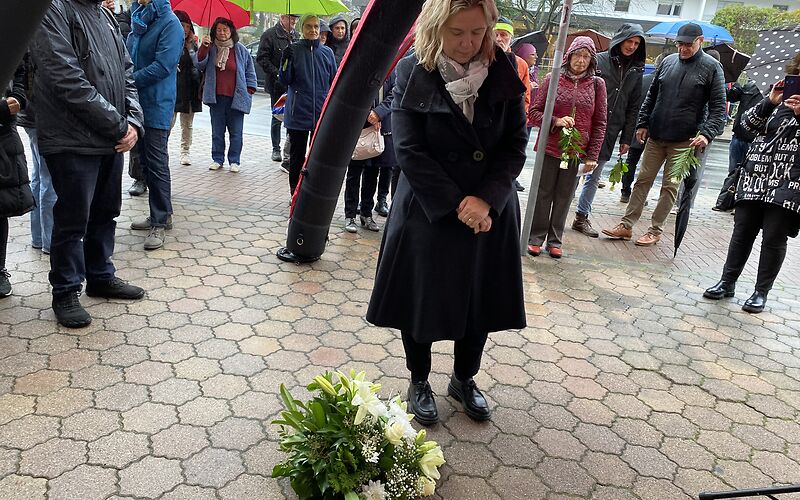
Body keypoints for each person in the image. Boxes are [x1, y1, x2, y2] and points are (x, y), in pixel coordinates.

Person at [366, 0, 528, 425]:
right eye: (457, 32)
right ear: (437, 27)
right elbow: (409, 149)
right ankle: (419, 379)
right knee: (420, 299)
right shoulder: (413, 70)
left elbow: (514, 145)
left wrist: (486, 199)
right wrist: (459, 203)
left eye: (477, 32)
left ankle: (463, 378)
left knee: (479, 302)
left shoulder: (503, 67)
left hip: (489, 212)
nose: (468, 42)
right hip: (428, 208)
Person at [31, 0, 145, 328]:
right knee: (72, 220)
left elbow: (127, 73)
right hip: (71, 138)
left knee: (105, 211)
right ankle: (65, 290)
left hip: (110, 137)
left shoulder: (105, 15)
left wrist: (134, 121)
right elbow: (64, 76)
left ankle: (100, 275)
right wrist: (118, 124)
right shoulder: (53, 9)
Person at [602, 23, 726, 246]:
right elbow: (651, 96)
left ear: (700, 41)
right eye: (680, 44)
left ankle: (655, 230)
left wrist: (706, 134)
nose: (683, 49)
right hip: (657, 135)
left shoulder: (712, 67)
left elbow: (719, 109)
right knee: (642, 180)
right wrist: (642, 123)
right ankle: (626, 225)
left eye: (688, 44)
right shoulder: (668, 62)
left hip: (686, 140)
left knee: (670, 186)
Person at [704, 56, 800, 314]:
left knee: (774, 237)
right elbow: (744, 129)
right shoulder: (777, 97)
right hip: (755, 176)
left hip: (789, 182)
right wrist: (769, 103)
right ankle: (727, 282)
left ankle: (760, 292)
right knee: (742, 232)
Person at [527, 37, 608, 259]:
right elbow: (533, 112)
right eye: (577, 55)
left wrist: (592, 155)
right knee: (543, 193)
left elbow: (600, 122)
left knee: (564, 196)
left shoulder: (597, 85)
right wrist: (556, 121)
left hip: (575, 151)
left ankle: (555, 240)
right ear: (569, 56)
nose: (581, 61)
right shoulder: (553, 78)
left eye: (586, 57)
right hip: (550, 146)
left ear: (591, 60)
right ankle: (536, 238)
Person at [571, 23, 645, 237]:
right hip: (585, 125)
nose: (632, 46)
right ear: (620, 39)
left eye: (636, 43)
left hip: (611, 130)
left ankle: (581, 217)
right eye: (629, 41)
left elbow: (634, 105)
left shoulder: (636, 70)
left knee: (593, 175)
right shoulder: (599, 60)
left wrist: (627, 137)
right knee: (574, 172)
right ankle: (557, 212)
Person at [126, 0, 183, 251]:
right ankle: (162, 214)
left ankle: (159, 222)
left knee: (157, 163)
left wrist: (127, 80)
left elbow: (163, 66)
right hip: (135, 102)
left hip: (157, 103)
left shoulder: (170, 24)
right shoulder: (138, 20)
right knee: (144, 162)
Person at [279, 14, 337, 196]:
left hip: (320, 112)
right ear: (302, 29)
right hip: (298, 112)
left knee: (317, 156)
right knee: (296, 157)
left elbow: (333, 81)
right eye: (309, 27)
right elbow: (285, 79)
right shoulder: (293, 50)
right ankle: (294, 191)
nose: (313, 30)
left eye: (316, 27)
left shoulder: (327, 53)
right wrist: (285, 61)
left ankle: (312, 191)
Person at [197, 17, 258, 174]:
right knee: (217, 132)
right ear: (214, 31)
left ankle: (234, 160)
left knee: (236, 132)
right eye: (219, 30)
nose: (222, 33)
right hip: (216, 97)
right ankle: (217, 158)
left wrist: (249, 90)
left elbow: (250, 72)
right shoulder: (210, 48)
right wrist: (203, 47)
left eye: (225, 29)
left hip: (236, 98)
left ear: (231, 31)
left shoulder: (240, 50)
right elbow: (199, 65)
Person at [343, 72, 395, 233]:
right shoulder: (363, 66)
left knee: (373, 173)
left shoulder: (393, 69)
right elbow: (352, 93)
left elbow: (394, 94)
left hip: (380, 129)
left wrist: (379, 113)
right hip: (359, 128)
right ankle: (350, 214)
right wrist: (368, 115)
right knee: (354, 173)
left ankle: (367, 214)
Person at [0, 60, 35, 297]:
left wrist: (19, 98)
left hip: (3, 133)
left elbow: (20, 69)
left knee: (0, 207)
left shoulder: (9, 32)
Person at [17, 54, 57, 256]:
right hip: (41, 114)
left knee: (39, 177)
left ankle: (39, 237)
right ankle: (49, 240)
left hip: (28, 114)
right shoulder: (40, 37)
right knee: (47, 179)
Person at [620, 53, 664, 203]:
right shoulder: (664, 84)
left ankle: (625, 191)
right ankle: (639, 196)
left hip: (637, 126)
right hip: (654, 130)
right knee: (648, 166)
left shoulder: (643, 80)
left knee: (631, 160)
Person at [256, 14, 299, 163]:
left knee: (291, 117)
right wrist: (277, 73)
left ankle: (289, 149)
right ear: (282, 18)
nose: (293, 21)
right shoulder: (269, 35)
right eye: (291, 18)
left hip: (292, 84)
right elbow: (262, 58)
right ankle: (276, 148)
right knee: (277, 116)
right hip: (276, 85)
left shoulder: (296, 36)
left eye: (295, 19)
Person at [494, 17, 530, 193]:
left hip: (511, 119)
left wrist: (520, 118)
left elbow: (526, 95)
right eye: (496, 34)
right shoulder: (484, 58)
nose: (499, 38)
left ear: (511, 38)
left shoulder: (520, 64)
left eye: (504, 35)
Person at [172, 10, 203, 167]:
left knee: (187, 124)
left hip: (189, 90)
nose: (184, 29)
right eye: (181, 25)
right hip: (172, 89)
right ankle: (161, 149)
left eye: (186, 26)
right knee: (168, 123)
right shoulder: (169, 41)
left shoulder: (193, 44)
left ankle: (185, 151)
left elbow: (198, 65)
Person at [513, 42, 539, 135]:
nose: (536, 56)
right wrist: (527, 87)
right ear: (523, 54)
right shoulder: (514, 69)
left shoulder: (534, 71)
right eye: (532, 54)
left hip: (530, 114)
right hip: (518, 115)